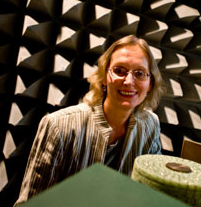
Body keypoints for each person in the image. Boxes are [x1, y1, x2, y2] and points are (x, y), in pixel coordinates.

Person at [14, 35, 165, 205]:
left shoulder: (151, 125)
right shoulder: (59, 125)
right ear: (104, 78)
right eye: (119, 71)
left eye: (139, 73)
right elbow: (32, 203)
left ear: (150, 83)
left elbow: (150, 195)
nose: (129, 81)